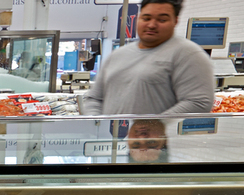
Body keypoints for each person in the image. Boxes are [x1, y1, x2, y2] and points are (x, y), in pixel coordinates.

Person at [83, 0, 213, 115]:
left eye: (162, 20)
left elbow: (199, 103)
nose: (151, 25)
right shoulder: (118, 55)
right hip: (114, 139)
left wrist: (152, 128)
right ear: (139, 18)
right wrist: (96, 123)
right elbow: (94, 98)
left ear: (175, 21)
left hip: (158, 141)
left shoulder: (188, 54)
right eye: (146, 18)